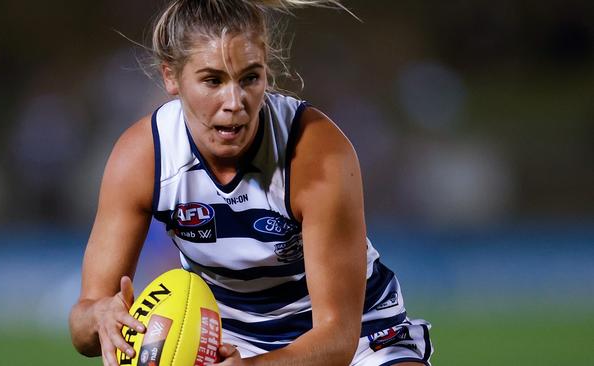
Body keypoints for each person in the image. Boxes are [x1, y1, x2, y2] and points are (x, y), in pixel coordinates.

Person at [69, 1, 433, 365]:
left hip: (361, 337)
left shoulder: (314, 151)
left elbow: (337, 338)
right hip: (222, 341)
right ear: (171, 77)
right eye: (212, 80)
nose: (234, 102)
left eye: (249, 78)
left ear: (266, 75)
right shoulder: (142, 157)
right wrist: (100, 317)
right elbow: (83, 323)